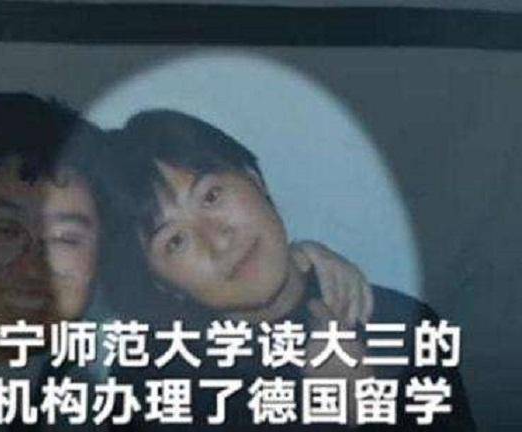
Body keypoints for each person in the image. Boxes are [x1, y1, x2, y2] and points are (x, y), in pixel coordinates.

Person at [0, 94, 372, 431]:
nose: (35, 267)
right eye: (4, 230)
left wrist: (299, 271)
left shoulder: (117, 351)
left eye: (67, 237)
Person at [102, 109, 476, 431]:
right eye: (175, 241)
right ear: (163, 283)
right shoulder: (150, 376)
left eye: (211, 196)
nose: (218, 240)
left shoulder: (401, 328)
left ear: (255, 179)